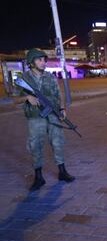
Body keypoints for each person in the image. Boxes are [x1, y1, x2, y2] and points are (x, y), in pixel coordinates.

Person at [13, 48, 75, 191]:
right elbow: (14, 100)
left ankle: (62, 171)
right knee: (36, 145)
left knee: (58, 142)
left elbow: (59, 95)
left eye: (44, 60)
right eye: (39, 60)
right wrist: (27, 97)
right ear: (31, 62)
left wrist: (62, 109)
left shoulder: (50, 77)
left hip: (52, 115)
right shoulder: (24, 79)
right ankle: (39, 177)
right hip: (35, 117)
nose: (43, 62)